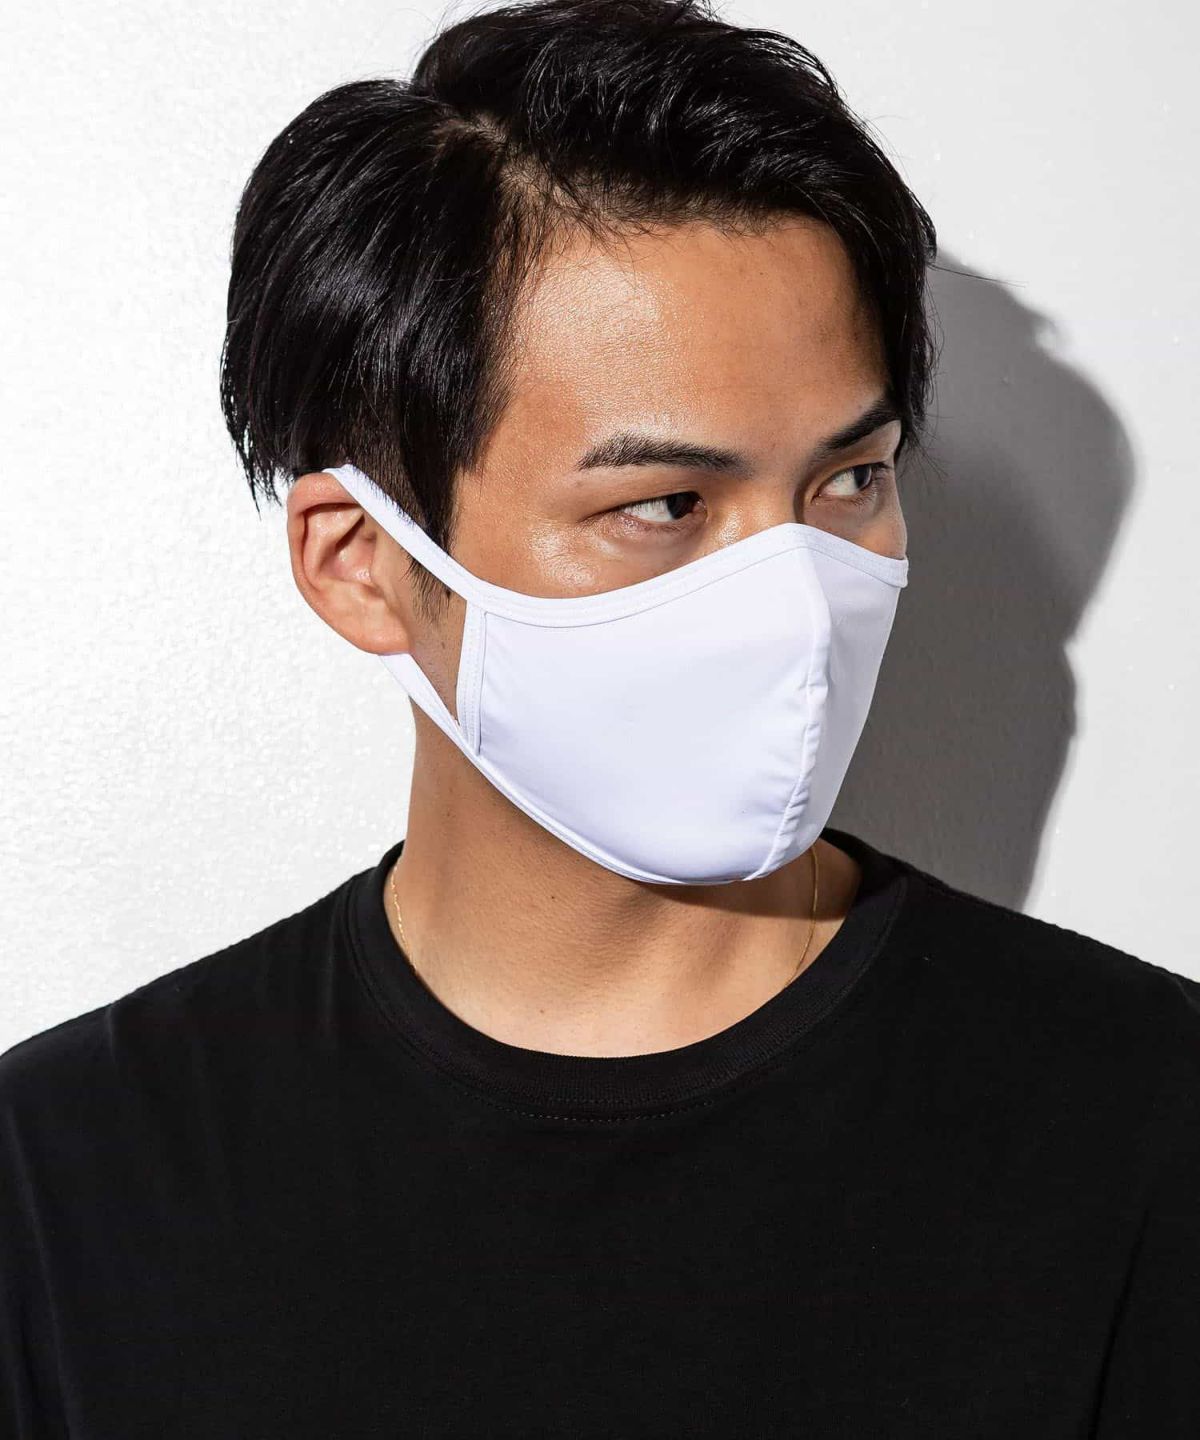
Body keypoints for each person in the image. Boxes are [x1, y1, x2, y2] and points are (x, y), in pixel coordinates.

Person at [2, 0, 1197, 1433]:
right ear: (363, 563)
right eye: (665, 505)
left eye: (849, 482)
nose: (794, 597)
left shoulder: (1147, 1119)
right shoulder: (67, 1185)